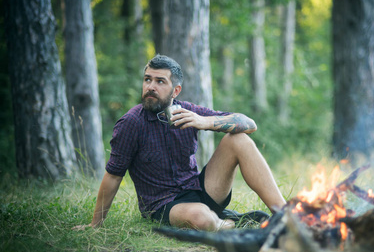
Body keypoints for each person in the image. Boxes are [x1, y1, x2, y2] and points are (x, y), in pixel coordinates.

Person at [73, 54, 286, 232]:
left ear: (176, 91)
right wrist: (95, 225)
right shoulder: (131, 123)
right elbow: (113, 175)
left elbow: (249, 124)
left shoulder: (187, 111)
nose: (151, 87)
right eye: (147, 80)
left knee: (238, 138)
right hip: (163, 205)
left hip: (201, 191)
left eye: (160, 81)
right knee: (202, 218)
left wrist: (205, 121)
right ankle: (232, 222)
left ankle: (285, 216)